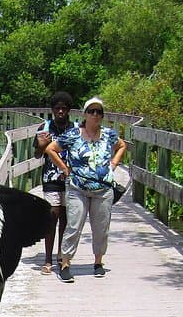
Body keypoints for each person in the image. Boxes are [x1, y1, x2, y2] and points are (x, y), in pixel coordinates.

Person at [45, 96, 127, 282]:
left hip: (103, 189)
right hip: (77, 188)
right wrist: (65, 169)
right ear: (85, 114)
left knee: (101, 229)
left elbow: (122, 146)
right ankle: (65, 264)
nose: (95, 115)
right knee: (73, 226)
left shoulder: (108, 134)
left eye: (99, 112)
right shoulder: (73, 134)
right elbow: (51, 149)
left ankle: (98, 263)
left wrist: (114, 163)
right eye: (92, 111)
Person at [32, 91, 77, 275]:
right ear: (52, 110)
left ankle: (61, 256)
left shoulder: (76, 128)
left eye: (63, 108)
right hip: (50, 178)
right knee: (52, 217)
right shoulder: (45, 127)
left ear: (68, 110)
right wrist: (43, 145)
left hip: (71, 179)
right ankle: (48, 259)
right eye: (57, 108)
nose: (60, 111)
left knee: (66, 219)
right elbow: (36, 154)